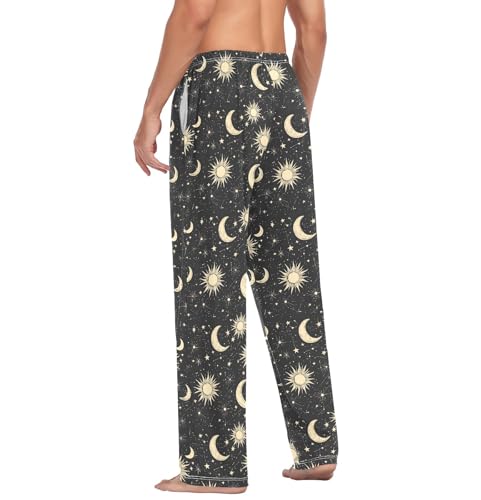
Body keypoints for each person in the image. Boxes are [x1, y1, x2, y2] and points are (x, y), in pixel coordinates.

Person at [133, 0, 338, 493]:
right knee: (290, 280)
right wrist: (290, 113)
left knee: (210, 281)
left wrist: (151, 108)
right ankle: (317, 448)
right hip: (282, 89)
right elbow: (314, 30)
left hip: (219, 88)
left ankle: (214, 465)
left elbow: (195, 13)